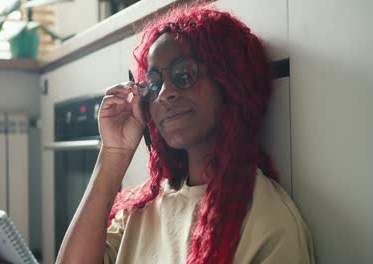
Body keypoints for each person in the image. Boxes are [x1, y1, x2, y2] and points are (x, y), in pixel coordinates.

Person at [57, 3, 315, 264]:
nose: (164, 93)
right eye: (154, 82)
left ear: (229, 83)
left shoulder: (268, 224)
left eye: (184, 74)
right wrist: (113, 154)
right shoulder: (140, 209)